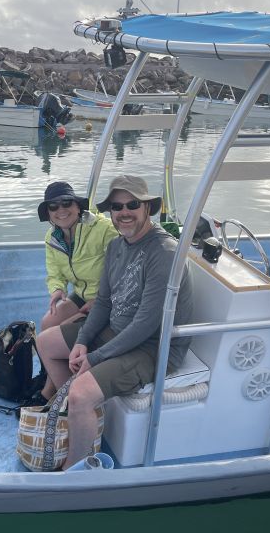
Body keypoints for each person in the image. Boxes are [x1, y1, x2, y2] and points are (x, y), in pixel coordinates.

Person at [34, 175, 193, 470]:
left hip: (153, 346)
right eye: (117, 206)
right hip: (118, 329)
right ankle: (76, 420)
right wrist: (82, 341)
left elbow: (147, 323)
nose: (124, 212)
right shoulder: (117, 247)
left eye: (132, 204)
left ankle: (76, 469)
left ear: (147, 207)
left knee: (80, 392)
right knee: (45, 341)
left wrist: (94, 357)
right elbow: (104, 302)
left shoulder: (164, 252)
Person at [37, 181, 118, 331]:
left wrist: (102, 301)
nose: (61, 210)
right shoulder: (52, 237)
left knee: (60, 330)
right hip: (82, 295)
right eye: (53, 206)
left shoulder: (105, 229)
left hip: (110, 299)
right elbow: (55, 272)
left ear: (78, 206)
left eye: (66, 203)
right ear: (48, 212)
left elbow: (125, 272)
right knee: (47, 324)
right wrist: (57, 290)